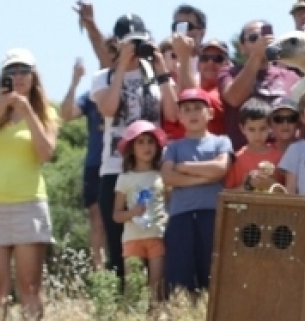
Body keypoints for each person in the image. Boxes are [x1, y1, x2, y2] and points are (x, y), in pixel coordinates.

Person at [0, 48, 59, 321]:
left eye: (23, 71)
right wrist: (1, 109)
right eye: (11, 72)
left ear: (33, 77)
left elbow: (46, 152)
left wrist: (27, 111)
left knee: (29, 286)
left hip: (28, 203)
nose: (18, 77)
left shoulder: (46, 113)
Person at [91, 14, 178, 282]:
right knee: (119, 243)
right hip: (116, 169)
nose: (134, 48)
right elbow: (108, 109)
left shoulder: (156, 75)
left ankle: (158, 302)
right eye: (129, 43)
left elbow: (173, 114)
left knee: (157, 238)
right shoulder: (103, 77)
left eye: (139, 42)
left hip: (153, 169)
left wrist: (160, 67)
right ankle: (122, 303)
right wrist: (120, 68)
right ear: (115, 44)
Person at [160, 88, 233, 299]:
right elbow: (168, 177)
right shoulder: (173, 147)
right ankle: (182, 318)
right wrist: (205, 178)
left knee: (211, 270)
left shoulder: (221, 142)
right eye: (187, 109)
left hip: (212, 213)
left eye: (198, 108)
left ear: (210, 113)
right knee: (180, 273)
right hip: (180, 216)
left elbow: (221, 169)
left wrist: (183, 167)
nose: (193, 114)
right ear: (179, 116)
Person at [219, 20, 302, 150]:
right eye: (253, 38)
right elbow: (234, 99)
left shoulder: (292, 76)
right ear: (242, 47)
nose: (260, 42)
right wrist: (256, 56)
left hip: (287, 157)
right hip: (247, 158)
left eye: (265, 37)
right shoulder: (229, 73)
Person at [113, 120, 170, 308]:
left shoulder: (162, 176)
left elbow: (169, 205)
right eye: (141, 142)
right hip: (132, 239)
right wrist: (133, 212)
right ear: (131, 148)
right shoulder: (124, 179)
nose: (147, 147)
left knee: (157, 286)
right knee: (134, 286)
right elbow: (116, 215)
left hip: (157, 236)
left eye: (150, 142)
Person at [59, 57, 107, 271]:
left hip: (123, 161)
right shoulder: (90, 97)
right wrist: (75, 82)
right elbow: (66, 114)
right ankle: (100, 274)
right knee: (97, 220)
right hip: (95, 164)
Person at [224, 99, 287, 192]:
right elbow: (227, 194)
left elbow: (288, 193)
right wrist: (248, 185)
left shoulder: (280, 156)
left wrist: (271, 184)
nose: (257, 135)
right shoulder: (237, 159)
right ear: (242, 128)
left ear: (270, 127)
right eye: (251, 129)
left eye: (262, 128)